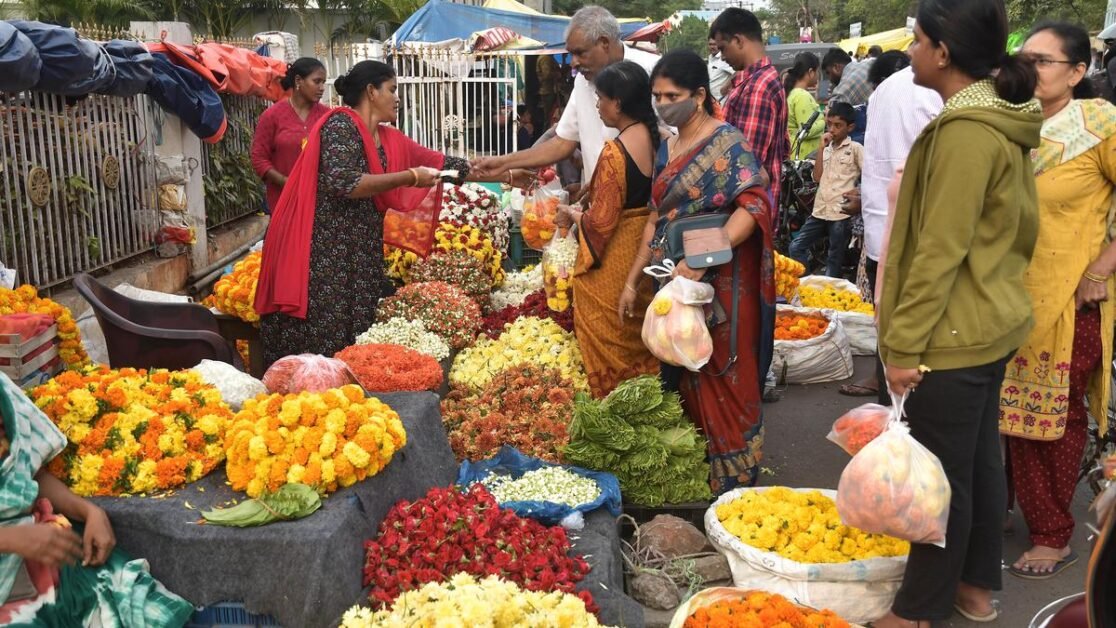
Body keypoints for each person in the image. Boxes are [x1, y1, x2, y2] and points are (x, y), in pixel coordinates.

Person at [874, 0, 1042, 625]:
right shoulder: (995, 119)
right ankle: (974, 589)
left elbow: (938, 251)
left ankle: (918, 609)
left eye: (917, 41)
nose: (911, 53)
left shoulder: (968, 133)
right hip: (985, 323)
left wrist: (903, 347)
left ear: (943, 51)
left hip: (952, 331)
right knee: (972, 463)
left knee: (937, 479)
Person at [619, 50, 775, 494]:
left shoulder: (727, 143)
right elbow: (654, 218)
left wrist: (702, 262)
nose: (663, 103)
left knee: (721, 370)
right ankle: (691, 471)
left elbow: (755, 205)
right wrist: (634, 282)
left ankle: (733, 481)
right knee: (678, 367)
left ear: (701, 95)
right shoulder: (667, 147)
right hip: (672, 278)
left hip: (722, 286)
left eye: (673, 95)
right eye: (657, 95)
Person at [254, 61, 476, 369]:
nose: (398, 98)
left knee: (355, 337)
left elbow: (441, 163)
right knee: (323, 340)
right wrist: (408, 177)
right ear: (371, 92)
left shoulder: (388, 138)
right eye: (393, 90)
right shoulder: (340, 126)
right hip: (323, 250)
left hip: (360, 252)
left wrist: (506, 170)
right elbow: (345, 181)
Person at [1002, 21, 1116, 580]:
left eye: (1044, 61)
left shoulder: (1100, 127)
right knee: (1001, 412)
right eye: (1025, 58)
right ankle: (998, 506)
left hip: (1071, 302)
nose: (1031, 68)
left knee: (1050, 417)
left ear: (1077, 72)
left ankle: (1052, 532)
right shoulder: (1008, 122)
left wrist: (1102, 267)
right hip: (1002, 296)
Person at [0, 372, 193, 626]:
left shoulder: (4, 389)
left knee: (135, 607)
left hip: (42, 555)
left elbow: (31, 474)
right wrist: (11, 538)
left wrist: (90, 512)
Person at [554, 61, 661, 398]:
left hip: (617, 255)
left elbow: (601, 221)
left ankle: (616, 402)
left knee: (607, 325)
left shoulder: (616, 151)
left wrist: (572, 215)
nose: (597, 105)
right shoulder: (651, 135)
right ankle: (648, 401)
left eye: (600, 98)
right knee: (635, 334)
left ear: (618, 102)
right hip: (642, 245)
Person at [471, 6, 661, 191]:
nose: (574, 63)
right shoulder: (582, 81)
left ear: (604, 42)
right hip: (597, 205)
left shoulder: (654, 72)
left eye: (580, 53)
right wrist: (503, 162)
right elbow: (563, 142)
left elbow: (674, 146)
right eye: (571, 54)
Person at [839, 56, 940, 401]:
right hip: (922, 244)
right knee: (923, 357)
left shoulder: (882, 92)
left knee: (891, 339)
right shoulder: (936, 91)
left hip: (883, 238)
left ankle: (892, 423)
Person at [709, 8, 788, 210]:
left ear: (738, 40)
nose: (722, 56)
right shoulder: (759, 80)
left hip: (746, 211)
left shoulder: (758, 88)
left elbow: (745, 165)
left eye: (723, 48)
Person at [787, 102, 862, 278]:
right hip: (820, 211)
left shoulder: (855, 149)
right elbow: (817, 177)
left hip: (840, 213)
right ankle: (806, 283)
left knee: (834, 257)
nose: (832, 129)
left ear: (849, 127)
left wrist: (858, 192)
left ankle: (828, 292)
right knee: (796, 246)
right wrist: (821, 149)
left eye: (838, 125)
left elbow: (869, 174)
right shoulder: (826, 149)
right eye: (829, 124)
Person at [251, 57, 330, 213]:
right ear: (298, 80)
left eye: (324, 82)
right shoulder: (272, 116)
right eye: (317, 81)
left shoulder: (327, 116)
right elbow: (259, 158)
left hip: (321, 205)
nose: (322, 88)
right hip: (284, 202)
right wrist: (285, 182)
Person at [784, 52, 826, 159]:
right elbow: (806, 131)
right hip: (804, 155)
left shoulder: (793, 93)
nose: (817, 76)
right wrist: (824, 120)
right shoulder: (802, 96)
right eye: (817, 72)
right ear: (811, 72)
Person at [707, 38, 736, 104]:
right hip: (712, 101)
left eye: (714, 44)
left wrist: (726, 86)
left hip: (722, 101)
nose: (712, 47)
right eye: (710, 44)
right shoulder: (711, 58)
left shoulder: (724, 58)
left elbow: (738, 72)